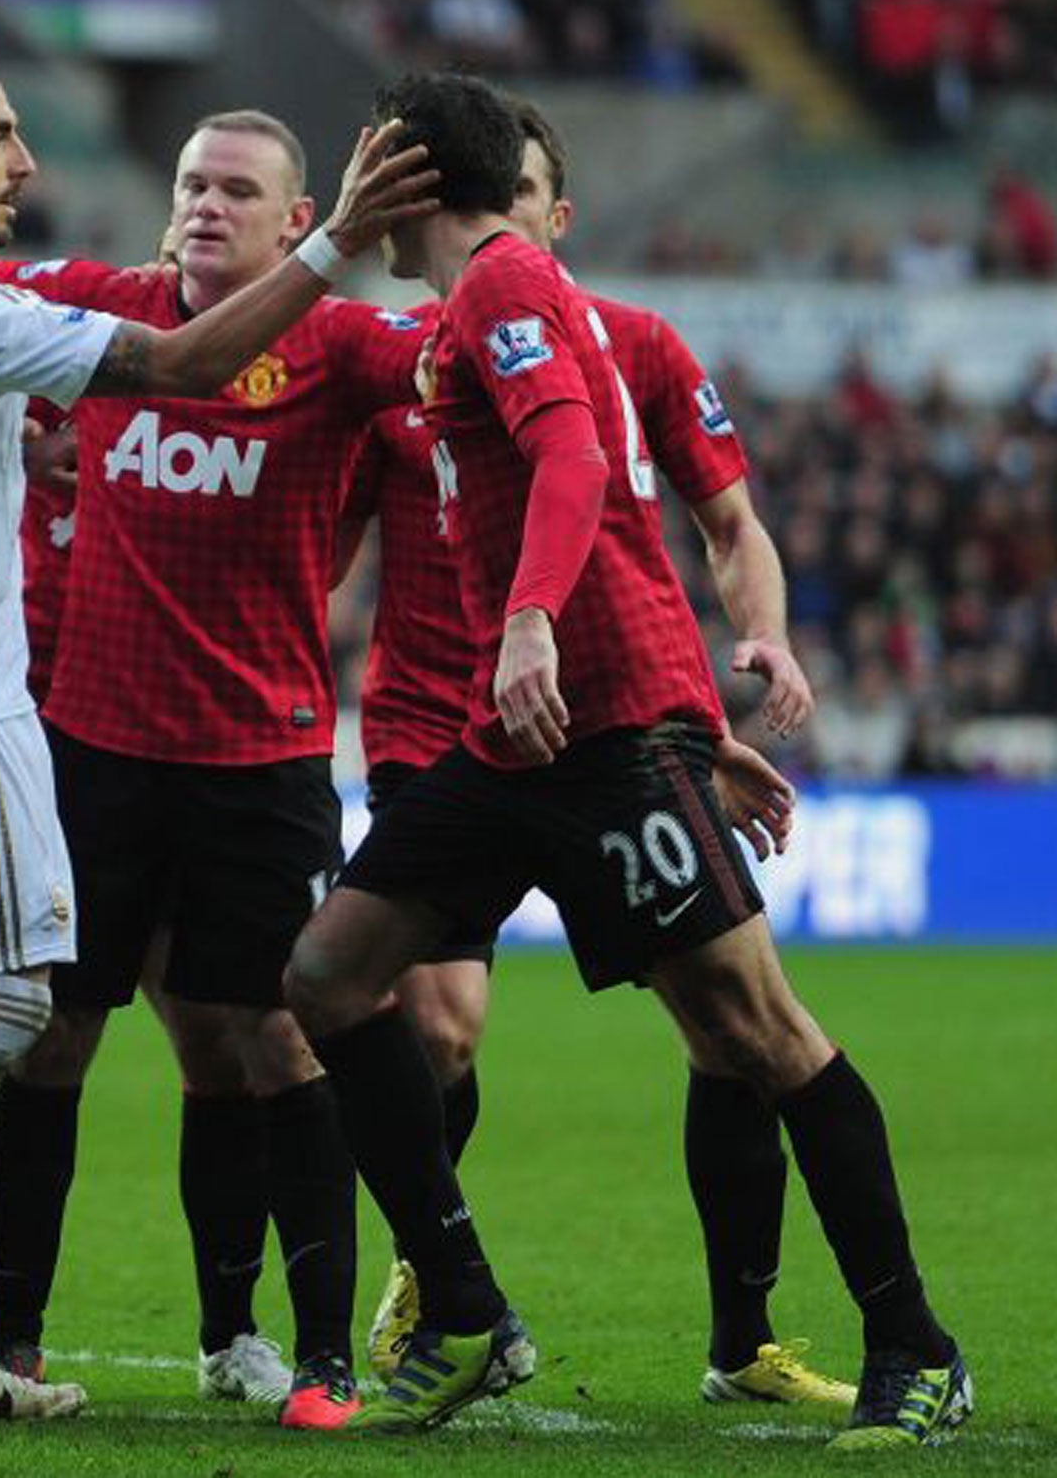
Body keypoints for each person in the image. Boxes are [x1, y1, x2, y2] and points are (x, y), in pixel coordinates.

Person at [0, 54, 433, 1432]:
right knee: (9, 1003)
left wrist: (5, 459)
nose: (26, 163)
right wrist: (341, 238)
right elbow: (182, 363)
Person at [284, 71, 969, 1450]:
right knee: (329, 973)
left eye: (366, 159)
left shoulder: (500, 280)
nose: (352, 182)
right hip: (519, 737)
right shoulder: (480, 303)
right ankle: (464, 1307)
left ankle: (919, 1346)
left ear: (410, 173)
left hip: (592, 732)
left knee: (754, 1033)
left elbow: (576, 459)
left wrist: (535, 629)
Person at [351, 99, 846, 1412]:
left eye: (518, 192)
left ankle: (742, 1340)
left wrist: (755, 653)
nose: (496, 217)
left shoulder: (636, 344)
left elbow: (724, 524)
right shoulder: (409, 346)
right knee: (433, 1023)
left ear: (551, 216)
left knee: (725, 1029)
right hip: (440, 720)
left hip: (600, 723)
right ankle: (434, 1285)